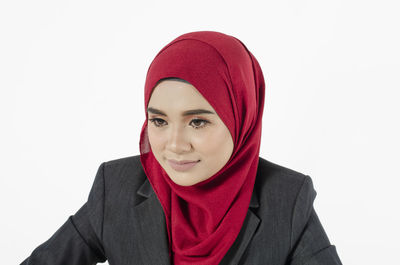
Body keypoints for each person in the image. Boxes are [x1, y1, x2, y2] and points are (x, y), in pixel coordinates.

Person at [20, 31, 342, 265]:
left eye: (197, 122)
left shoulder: (286, 199)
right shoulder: (116, 187)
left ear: (242, 118)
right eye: (159, 122)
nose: (174, 145)